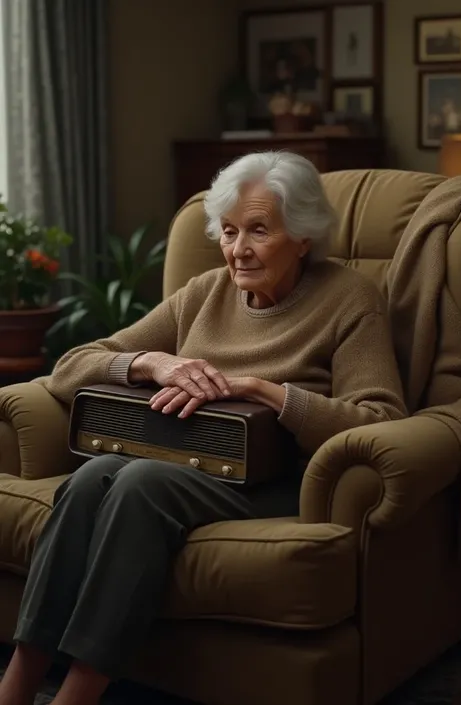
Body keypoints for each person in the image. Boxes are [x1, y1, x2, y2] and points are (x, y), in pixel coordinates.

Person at [0, 151, 407, 705]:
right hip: (181, 464)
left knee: (140, 483)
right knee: (93, 477)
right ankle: (17, 685)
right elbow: (71, 366)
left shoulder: (351, 300)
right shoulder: (205, 292)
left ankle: (78, 694)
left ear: (304, 236)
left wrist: (270, 393)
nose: (239, 249)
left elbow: (381, 420)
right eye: (230, 230)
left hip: (280, 480)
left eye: (259, 230)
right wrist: (153, 363)